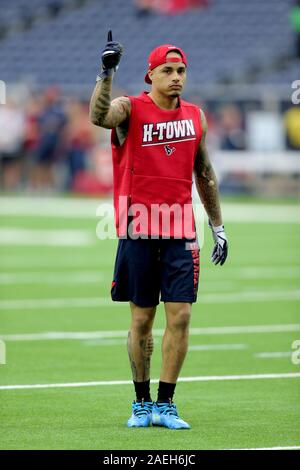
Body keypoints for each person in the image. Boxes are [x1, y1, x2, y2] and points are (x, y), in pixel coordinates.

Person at [89, 32, 228, 430]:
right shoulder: (130, 108)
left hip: (182, 227)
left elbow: (203, 172)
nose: (176, 77)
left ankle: (166, 403)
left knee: (181, 316)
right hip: (138, 228)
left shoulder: (195, 116)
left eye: (181, 70)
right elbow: (99, 117)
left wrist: (218, 227)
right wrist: (106, 72)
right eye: (167, 70)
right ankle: (141, 401)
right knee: (142, 321)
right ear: (150, 75)